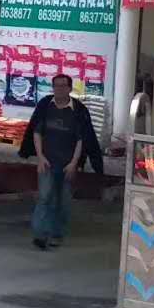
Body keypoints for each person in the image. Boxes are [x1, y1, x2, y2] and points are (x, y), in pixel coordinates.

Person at [18, 73, 101, 249]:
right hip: (47, 162)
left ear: (70, 88)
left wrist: (74, 163)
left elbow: (82, 139)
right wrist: (40, 157)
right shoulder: (45, 105)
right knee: (45, 197)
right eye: (56, 86)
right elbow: (36, 132)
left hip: (68, 164)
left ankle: (57, 234)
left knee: (62, 201)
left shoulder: (78, 110)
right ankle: (40, 235)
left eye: (63, 86)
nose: (59, 89)